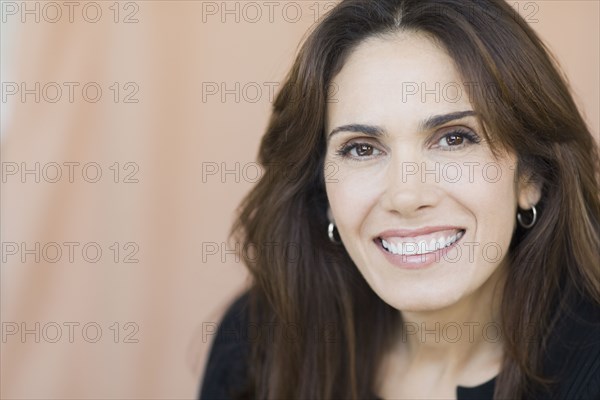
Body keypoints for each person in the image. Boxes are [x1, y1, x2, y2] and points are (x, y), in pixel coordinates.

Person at [199, 0, 600, 398]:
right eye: (362, 148)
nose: (406, 195)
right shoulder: (260, 343)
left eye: (454, 139)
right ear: (322, 191)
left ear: (530, 176)